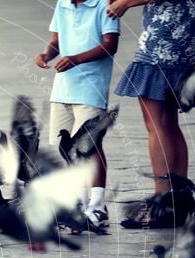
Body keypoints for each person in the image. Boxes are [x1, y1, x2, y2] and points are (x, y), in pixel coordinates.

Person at [109, 0, 195, 199]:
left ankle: (162, 201)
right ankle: (180, 199)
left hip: (162, 46)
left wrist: (125, 2)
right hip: (188, 44)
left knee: (156, 125)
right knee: (169, 124)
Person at [36, 0, 120, 226]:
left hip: (90, 88)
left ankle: (98, 206)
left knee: (90, 146)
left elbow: (110, 44)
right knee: (68, 148)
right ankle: (80, 204)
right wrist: (45, 54)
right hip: (62, 88)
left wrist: (76, 59)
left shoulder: (105, 4)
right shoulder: (63, 4)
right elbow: (55, 41)